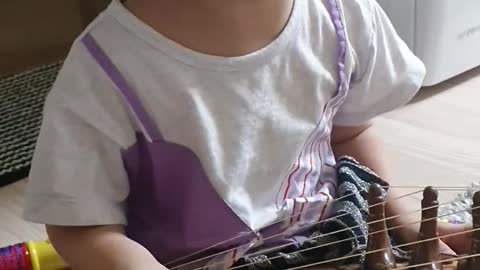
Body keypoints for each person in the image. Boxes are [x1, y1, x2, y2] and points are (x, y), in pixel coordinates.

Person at [23, 0, 470, 269]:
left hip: (337, 236)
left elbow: (350, 135)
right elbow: (81, 228)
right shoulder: (104, 74)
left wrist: (406, 224)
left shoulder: (339, 14)